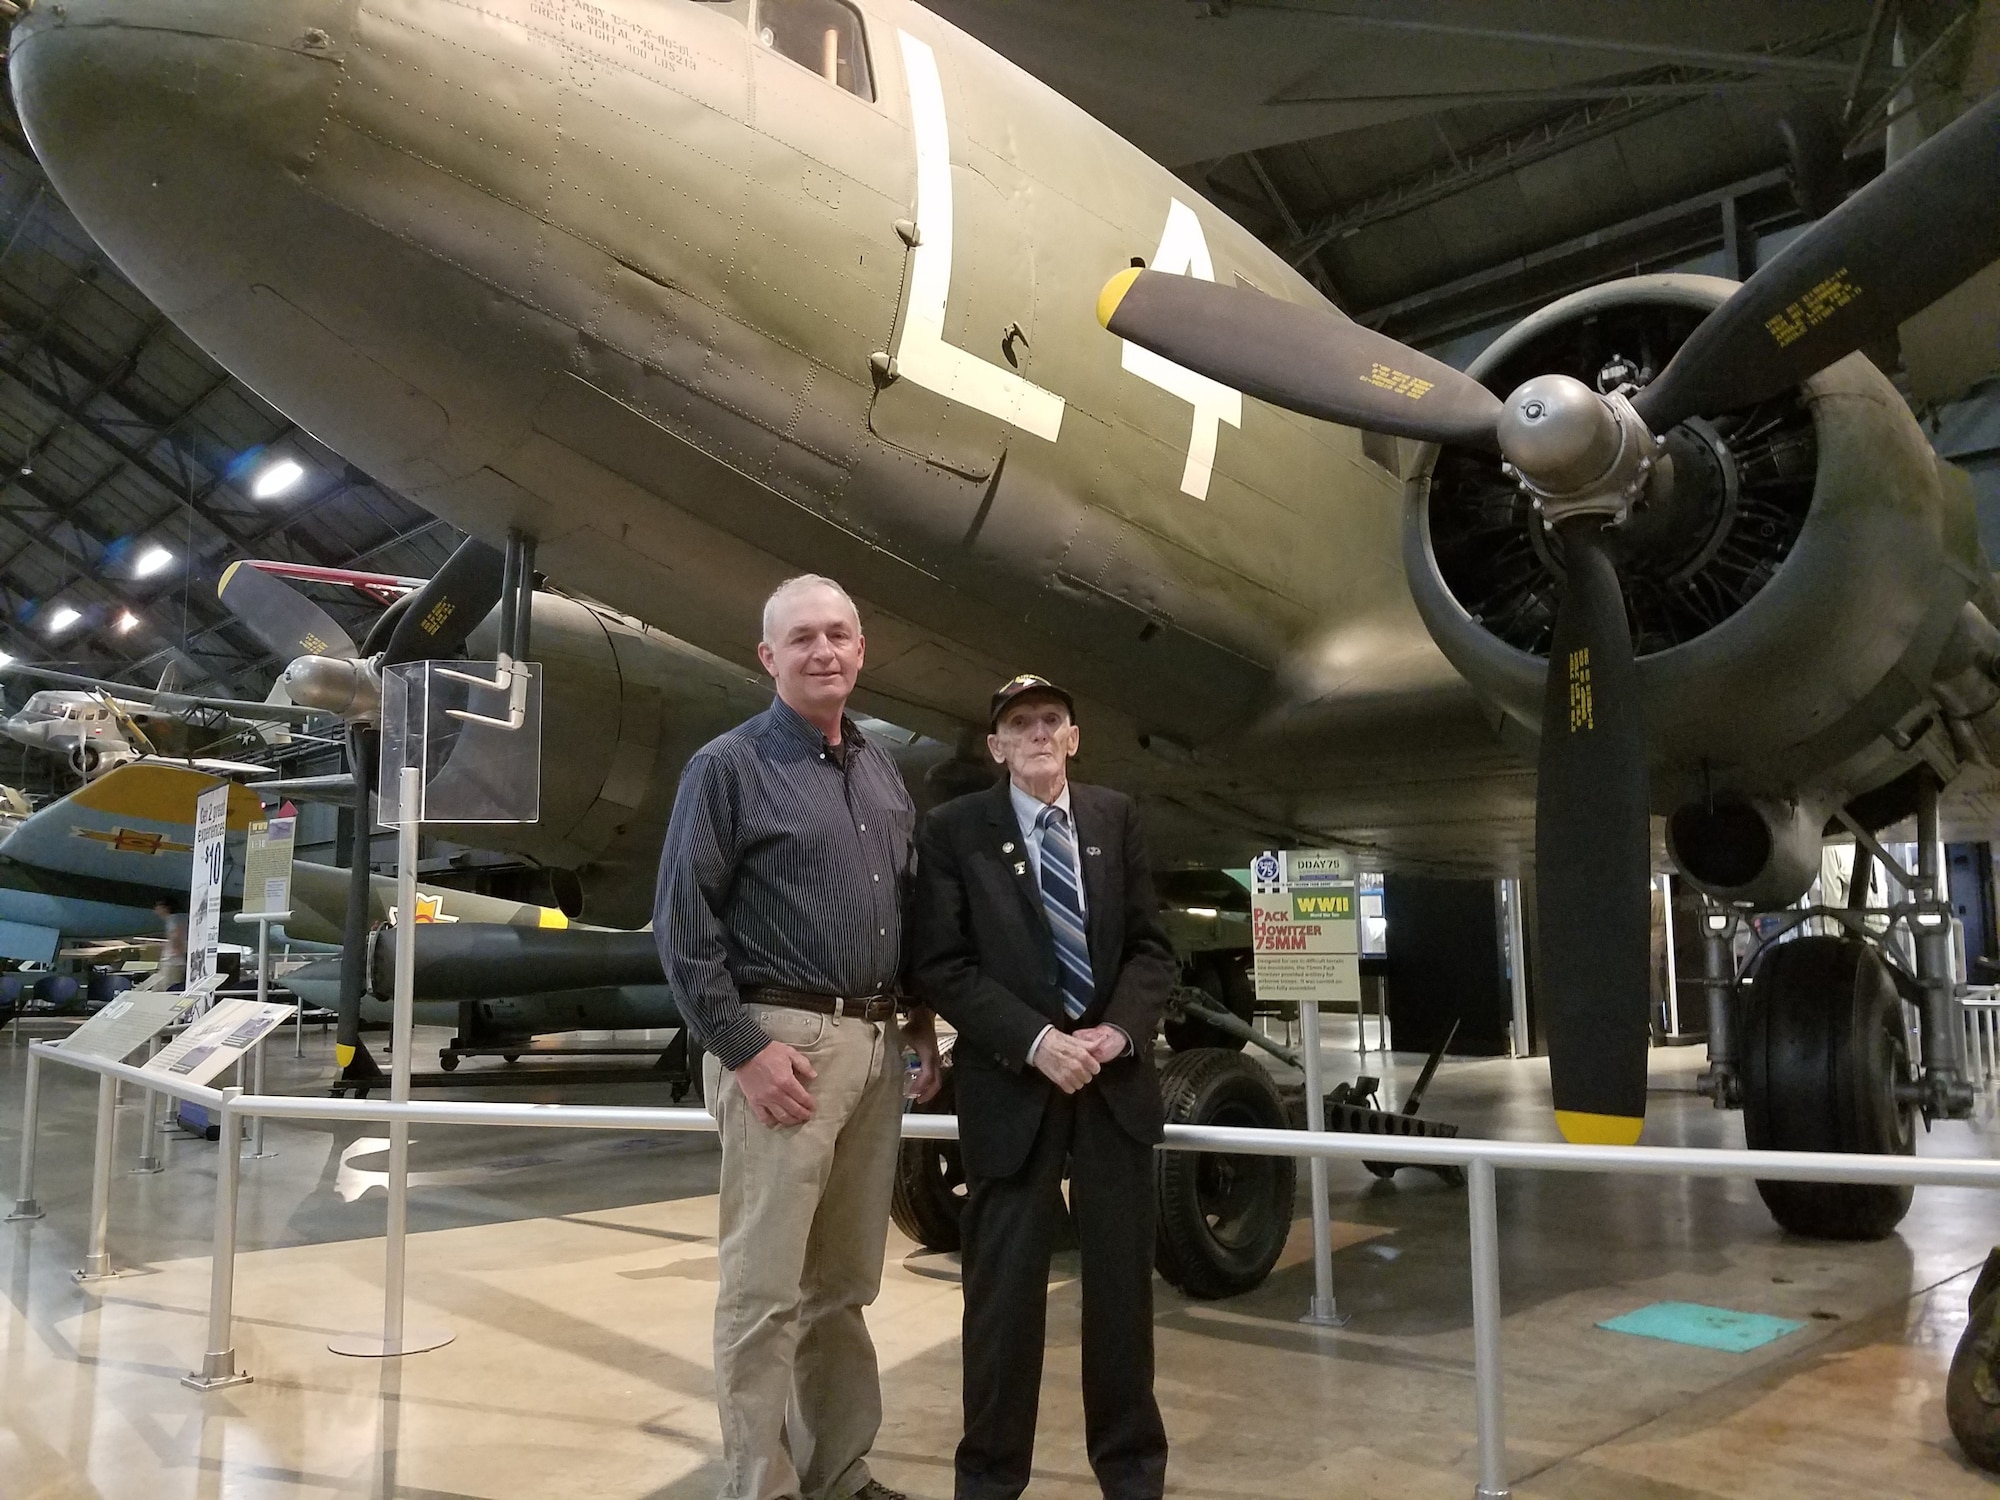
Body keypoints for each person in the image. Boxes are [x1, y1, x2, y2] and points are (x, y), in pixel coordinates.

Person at [654, 574, 943, 1500]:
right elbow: (681, 922)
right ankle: (761, 1486)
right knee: (764, 1290)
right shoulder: (728, 766)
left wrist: (921, 1025)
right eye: (803, 638)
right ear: (767, 657)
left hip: (873, 1041)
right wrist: (742, 1049)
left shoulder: (878, 767)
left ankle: (840, 1473)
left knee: (845, 1285)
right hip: (783, 1043)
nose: (824, 651)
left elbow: (904, 909)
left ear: (862, 651)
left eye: (840, 635)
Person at [911, 674, 1176, 1500]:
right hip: (1010, 1096)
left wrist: (1118, 1031)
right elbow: (940, 965)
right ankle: (987, 1481)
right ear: (995, 746)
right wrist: (1035, 1042)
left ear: (1072, 736)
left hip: (1112, 1092)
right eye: (1017, 723)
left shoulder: (1114, 817)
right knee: (1000, 1310)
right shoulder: (956, 831)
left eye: (1050, 720)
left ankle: (1133, 1476)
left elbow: (1152, 948)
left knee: (1122, 1305)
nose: (1035, 732)